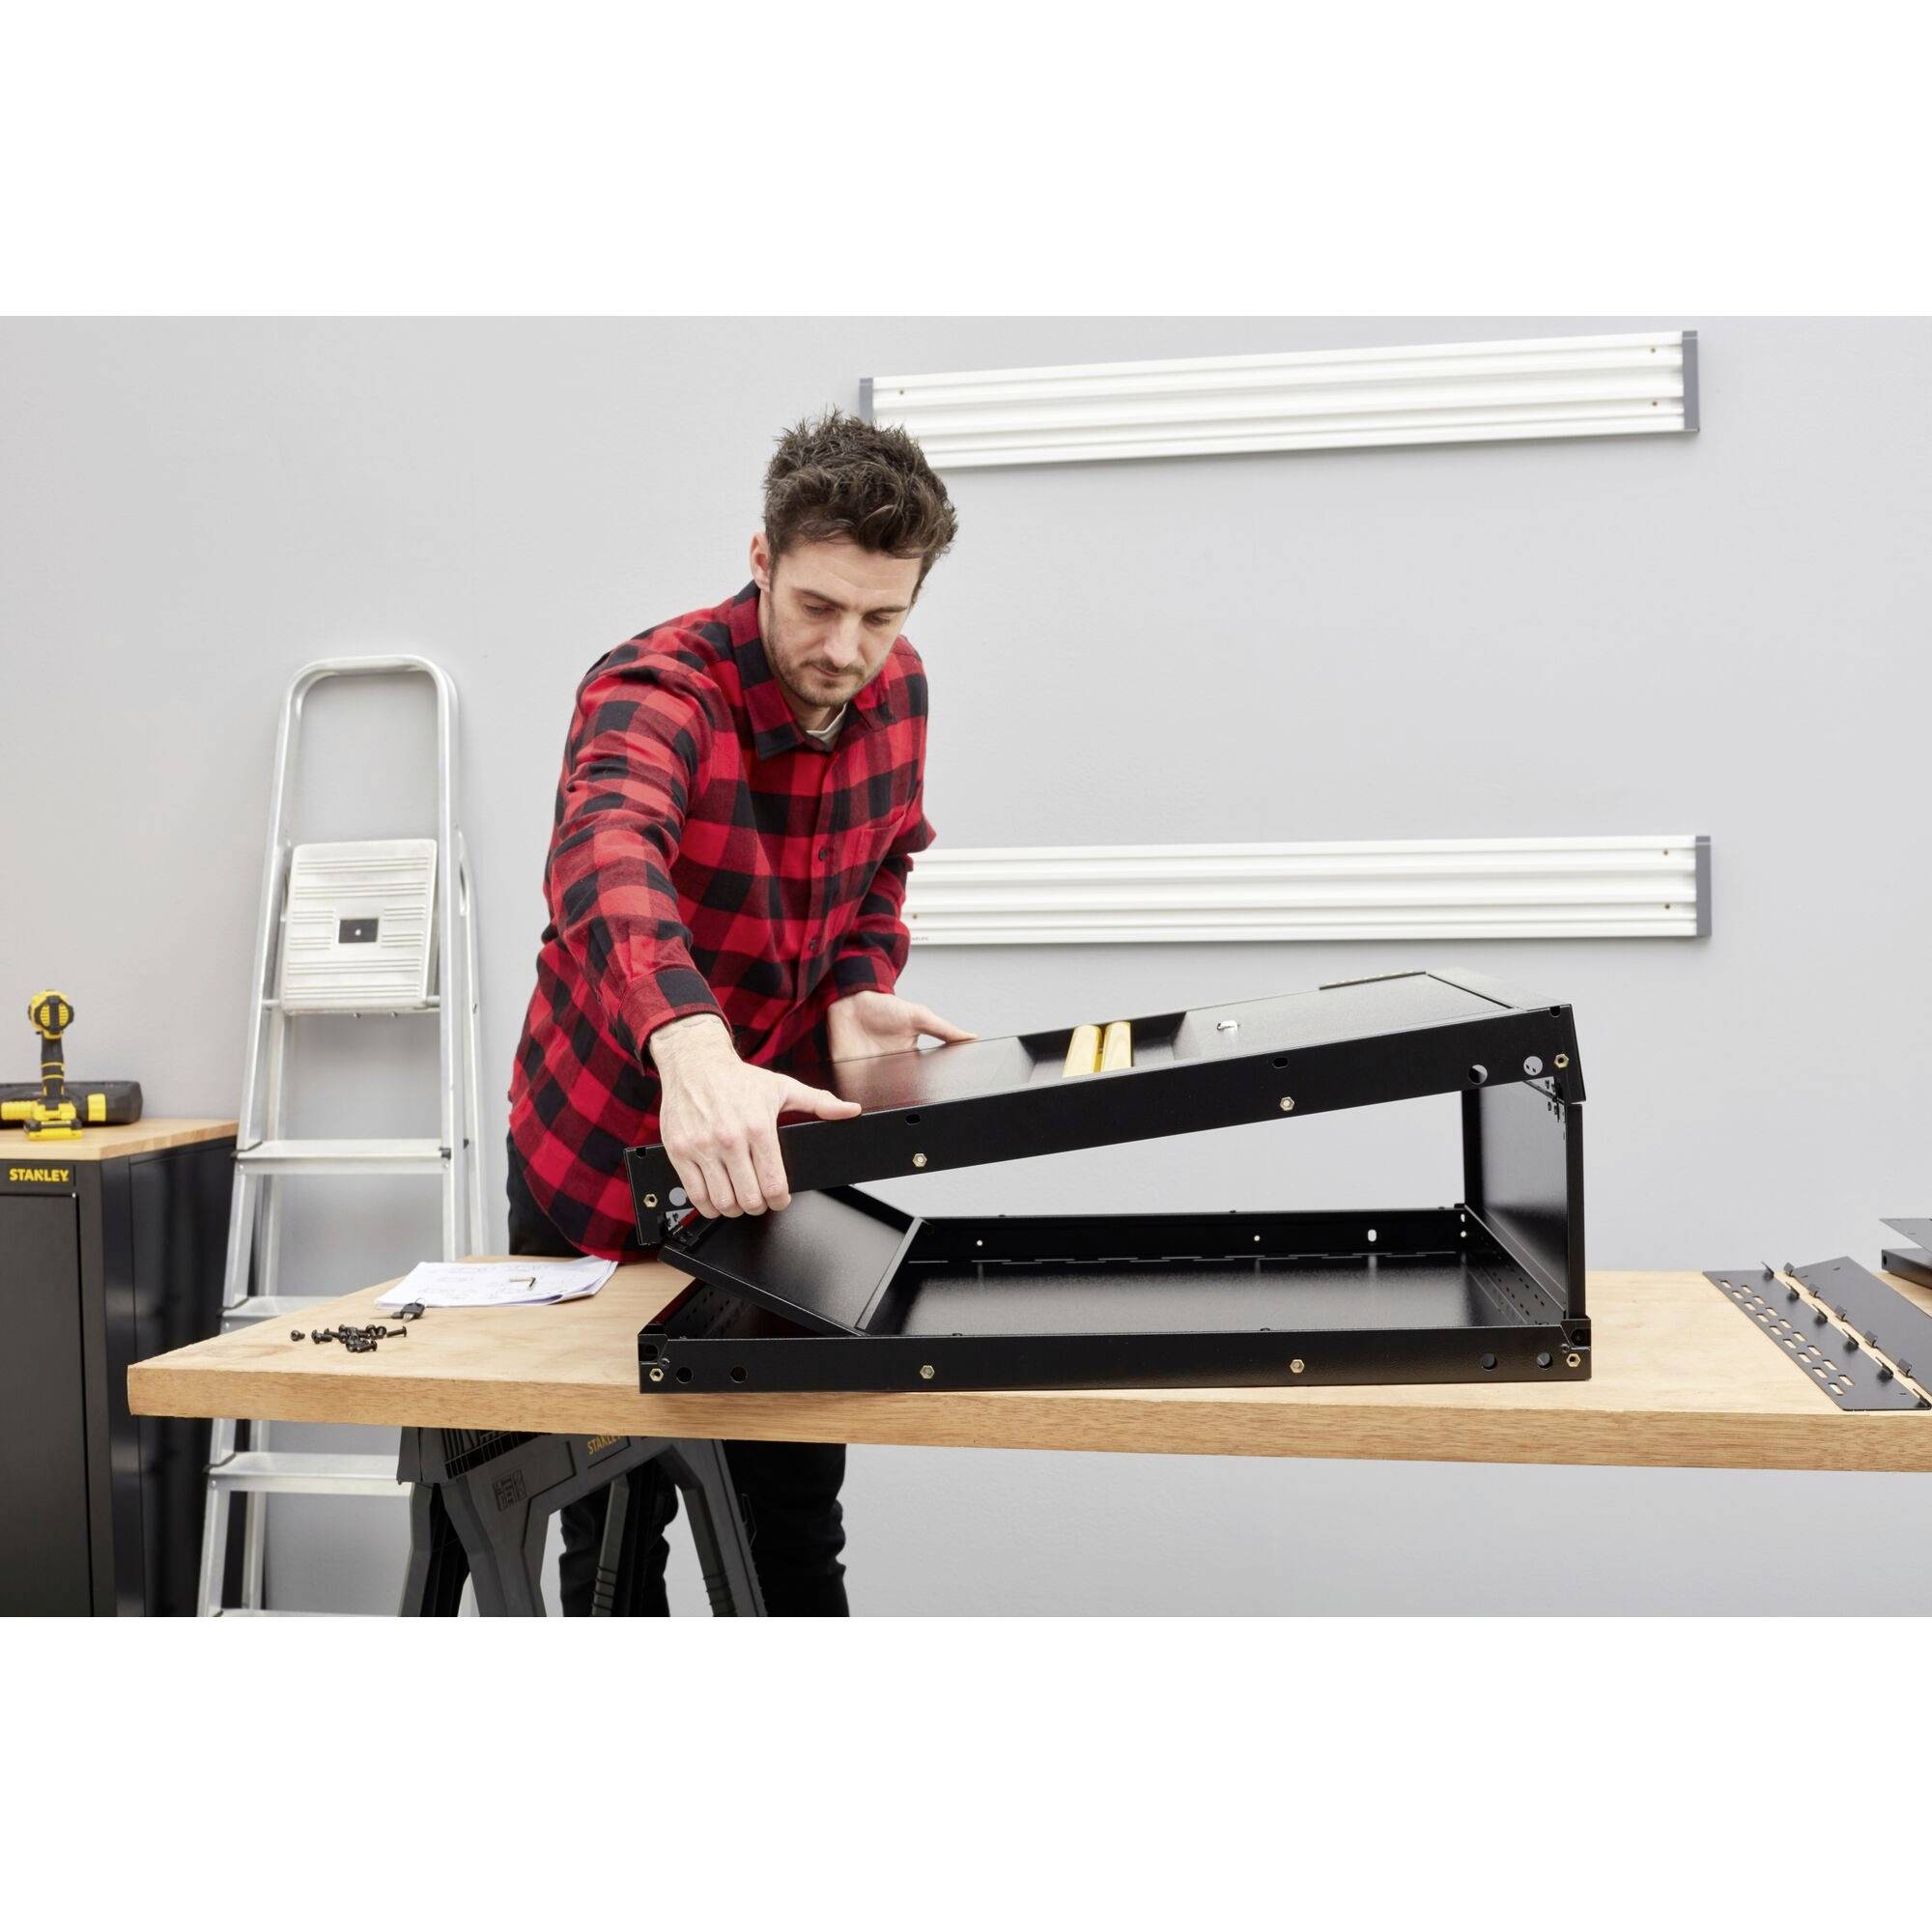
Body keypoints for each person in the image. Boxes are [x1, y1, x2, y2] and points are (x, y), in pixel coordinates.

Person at [505, 409, 973, 1614]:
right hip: (604, 1154)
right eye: (817, 605)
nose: (847, 646)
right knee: (613, 1528)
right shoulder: (654, 688)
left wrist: (860, 981)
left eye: (883, 614)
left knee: (791, 1518)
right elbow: (605, 855)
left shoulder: (898, 688)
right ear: (759, 558)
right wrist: (690, 1045)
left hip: (782, 1170)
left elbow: (886, 862)